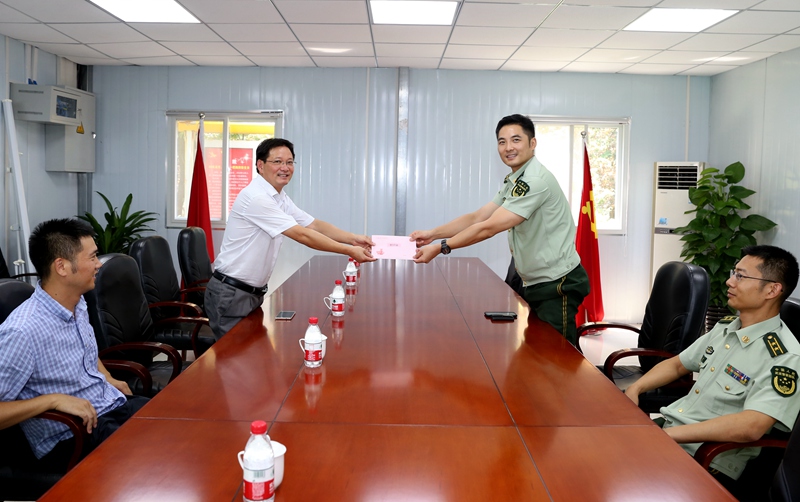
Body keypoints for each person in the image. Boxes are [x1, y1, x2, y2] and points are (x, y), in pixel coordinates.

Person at [626, 245, 800, 485]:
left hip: (705, 458)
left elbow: (752, 426)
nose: (730, 282)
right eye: (733, 273)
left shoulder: (785, 357)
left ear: (772, 289)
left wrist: (665, 435)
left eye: (741, 276)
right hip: (670, 432)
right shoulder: (726, 327)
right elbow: (677, 365)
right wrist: (635, 389)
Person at [410, 114, 589, 345]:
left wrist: (441, 248)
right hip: (535, 281)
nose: (508, 147)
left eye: (516, 140)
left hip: (557, 283)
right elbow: (478, 217)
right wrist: (432, 234)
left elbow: (488, 227)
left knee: (557, 355)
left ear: (532, 143)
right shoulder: (515, 180)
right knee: (538, 352)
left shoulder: (534, 181)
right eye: (502, 142)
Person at [0, 218, 148, 472]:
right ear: (62, 266)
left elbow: (82, 348)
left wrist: (107, 376)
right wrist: (52, 401)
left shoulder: (76, 302)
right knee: (163, 453)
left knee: (179, 420)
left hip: (108, 407)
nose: (98, 264)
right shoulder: (22, 331)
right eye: (92, 257)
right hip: (74, 436)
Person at [205, 138, 376, 339]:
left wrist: (354, 239)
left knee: (251, 354)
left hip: (249, 293)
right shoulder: (257, 198)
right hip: (231, 293)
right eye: (277, 162)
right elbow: (302, 234)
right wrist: (349, 251)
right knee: (235, 357)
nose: (285, 168)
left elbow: (314, 225)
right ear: (260, 165)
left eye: (289, 162)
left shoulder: (279, 198)